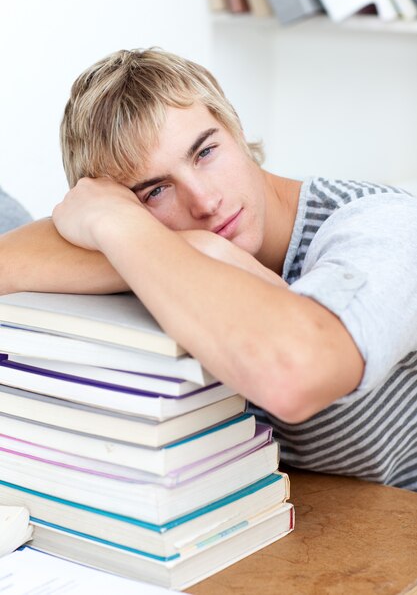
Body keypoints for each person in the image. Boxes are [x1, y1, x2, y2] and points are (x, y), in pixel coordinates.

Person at [1, 48, 416, 490]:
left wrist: (133, 230)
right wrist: (192, 247)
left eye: (205, 152)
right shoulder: (149, 246)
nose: (204, 201)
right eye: (155, 191)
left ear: (234, 129)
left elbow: (292, 374)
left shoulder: (385, 226)